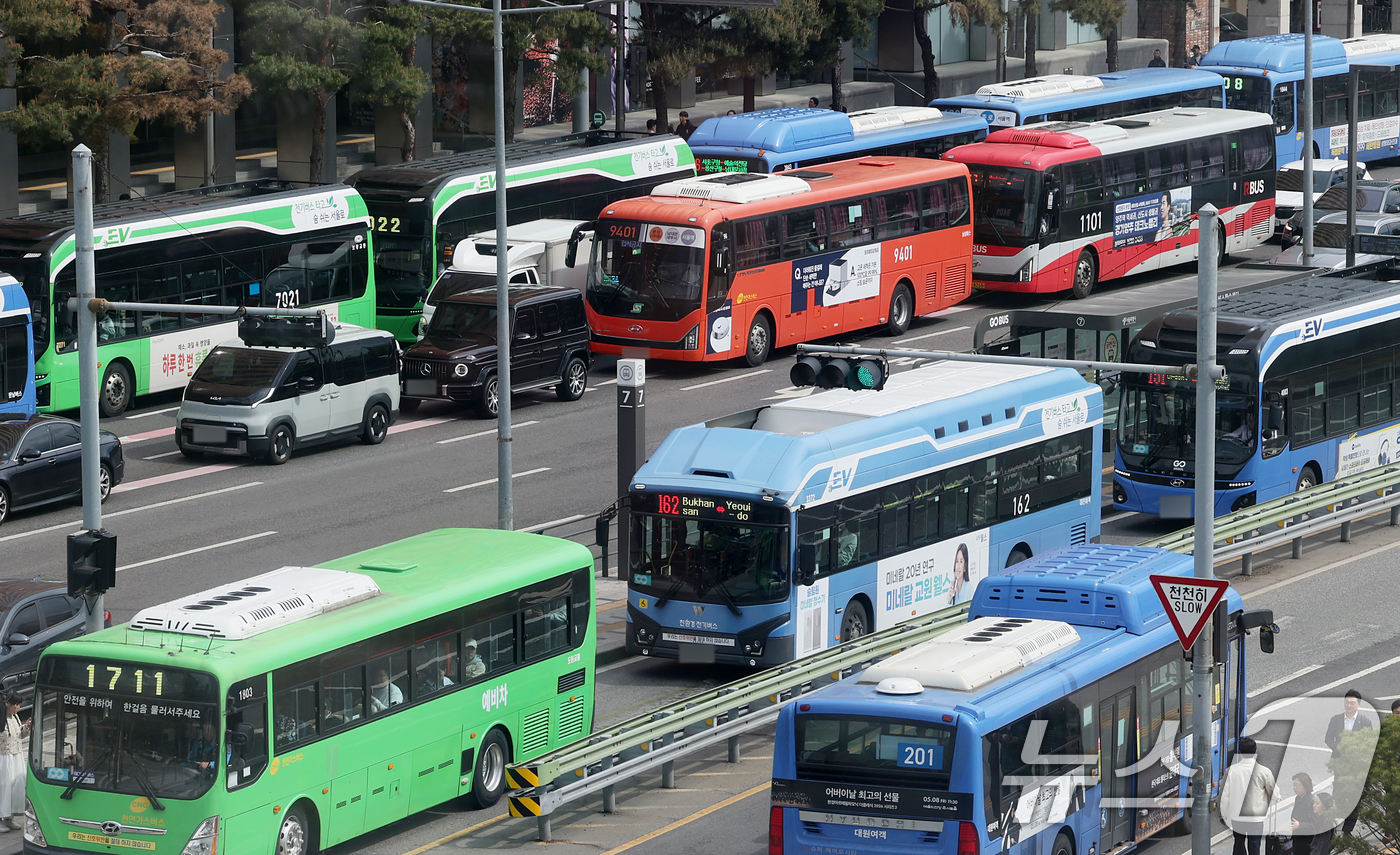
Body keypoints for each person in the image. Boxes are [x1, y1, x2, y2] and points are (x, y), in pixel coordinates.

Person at [1325, 689, 1374, 834]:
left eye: (1352, 703)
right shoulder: (1336, 719)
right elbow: (1328, 738)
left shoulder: (1365, 721)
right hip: (1339, 763)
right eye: (1346, 702)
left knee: (1354, 796)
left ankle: (1348, 829)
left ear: (1358, 705)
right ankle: (1335, 822)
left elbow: (1369, 743)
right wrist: (1336, 746)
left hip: (1356, 766)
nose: (1349, 705)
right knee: (1338, 792)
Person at [1222, 737, 1275, 855]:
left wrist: (1224, 815)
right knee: (1254, 845)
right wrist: (1277, 796)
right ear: (1255, 751)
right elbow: (1272, 791)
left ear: (1239, 752)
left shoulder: (1231, 771)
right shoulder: (1263, 771)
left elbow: (1225, 796)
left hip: (1237, 817)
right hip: (1256, 817)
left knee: (1238, 843)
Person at [0, 693, 27, 832]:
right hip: (4, 757)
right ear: (8, 704)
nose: (18, 707)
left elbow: (19, 735)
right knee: (3, 787)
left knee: (16, 786)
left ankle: (9, 817)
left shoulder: (15, 717)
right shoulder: (1, 718)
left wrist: (26, 728)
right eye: (16, 704)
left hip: (16, 756)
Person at [1291, 772, 1316, 855]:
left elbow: (1316, 824)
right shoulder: (1298, 799)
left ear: (1305, 785)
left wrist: (1300, 825)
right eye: (1294, 785)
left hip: (1307, 842)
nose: (1295, 788)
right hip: (1297, 839)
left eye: (1298, 785)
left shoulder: (1312, 802)